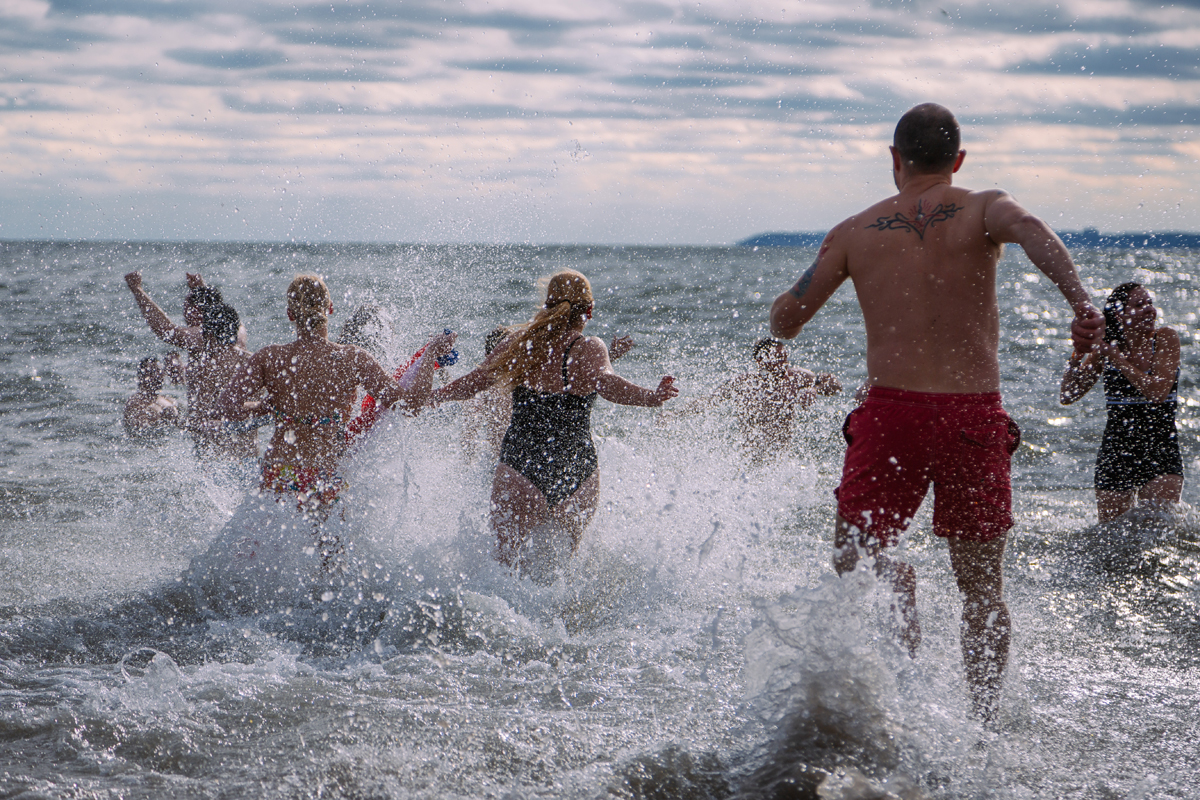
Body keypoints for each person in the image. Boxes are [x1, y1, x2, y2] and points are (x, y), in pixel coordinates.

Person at [768, 103, 1102, 721]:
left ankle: (899, 600)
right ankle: (979, 726)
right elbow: (1033, 231)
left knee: (854, 554)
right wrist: (1081, 303)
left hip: (892, 416)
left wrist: (811, 273)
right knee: (982, 591)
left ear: (894, 159)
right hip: (974, 417)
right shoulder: (984, 207)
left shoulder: (854, 230)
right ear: (959, 160)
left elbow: (785, 322)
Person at [432, 270, 677, 574]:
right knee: (563, 577)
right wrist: (651, 397)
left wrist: (431, 397)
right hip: (576, 471)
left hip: (521, 465)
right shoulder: (589, 348)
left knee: (503, 573)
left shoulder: (517, 344)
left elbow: (473, 382)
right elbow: (608, 384)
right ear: (589, 310)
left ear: (546, 306)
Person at [1060, 282, 1183, 522]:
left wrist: (1115, 357)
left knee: (1160, 531)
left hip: (1160, 447)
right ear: (1119, 314)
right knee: (1111, 535)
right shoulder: (1105, 349)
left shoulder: (1165, 338)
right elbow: (1067, 395)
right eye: (1139, 304)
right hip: (1116, 450)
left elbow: (1157, 392)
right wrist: (1078, 353)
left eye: (1150, 303)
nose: (1149, 309)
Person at [459, 326, 637, 465]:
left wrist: (468, 463)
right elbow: (570, 380)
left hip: (505, 462)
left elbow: (469, 435)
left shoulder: (500, 386)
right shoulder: (521, 382)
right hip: (517, 460)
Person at [125, 271, 255, 461]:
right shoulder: (237, 333)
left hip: (215, 448)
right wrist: (201, 289)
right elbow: (225, 313)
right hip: (243, 445)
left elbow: (165, 330)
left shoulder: (201, 337)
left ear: (196, 311)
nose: (184, 311)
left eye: (187, 306)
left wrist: (137, 290)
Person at [709, 337, 841, 461]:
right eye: (778, 358)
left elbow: (835, 384)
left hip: (782, 460)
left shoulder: (795, 378)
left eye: (785, 358)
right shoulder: (743, 383)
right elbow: (708, 402)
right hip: (750, 460)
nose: (784, 364)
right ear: (760, 360)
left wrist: (814, 389)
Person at [123, 356, 180, 438]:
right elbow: (140, 431)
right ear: (141, 376)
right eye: (153, 372)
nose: (158, 376)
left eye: (160, 372)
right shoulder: (134, 403)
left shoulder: (169, 400)